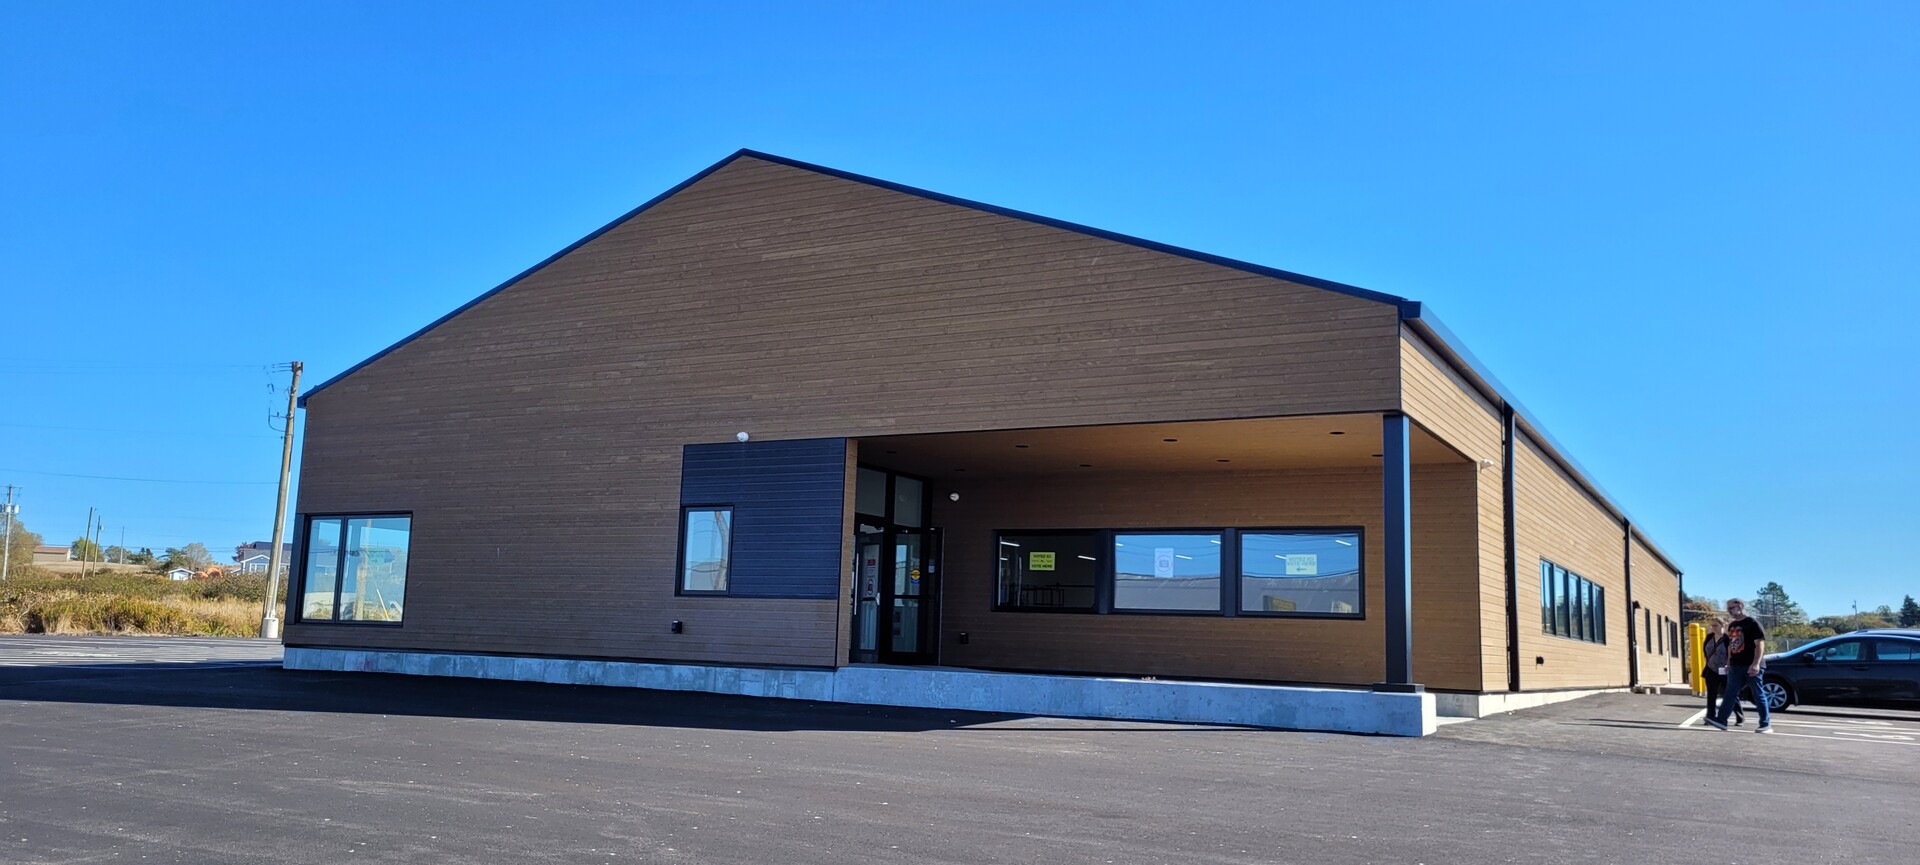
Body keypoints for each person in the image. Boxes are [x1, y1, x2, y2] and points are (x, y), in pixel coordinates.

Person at [1705, 598, 1771, 733]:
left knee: (1758, 693)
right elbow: (1731, 645)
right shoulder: (1732, 625)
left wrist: (1756, 664)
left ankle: (1765, 724)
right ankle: (1721, 720)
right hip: (1736, 665)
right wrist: (1729, 662)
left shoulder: (1752, 623)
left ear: (1740, 606)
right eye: (1728, 609)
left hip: (1751, 664)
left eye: (1732, 608)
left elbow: (1759, 644)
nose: (1730, 611)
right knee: (1730, 693)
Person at [1701, 619, 1745, 726]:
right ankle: (1710, 717)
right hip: (1711, 670)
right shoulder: (1709, 637)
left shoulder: (1729, 638)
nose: (1713, 628)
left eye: (1715, 625)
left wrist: (1729, 664)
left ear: (1723, 626)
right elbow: (1705, 651)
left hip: (1726, 670)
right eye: (1712, 626)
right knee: (1711, 695)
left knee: (1730, 694)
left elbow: (1734, 653)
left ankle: (1740, 717)